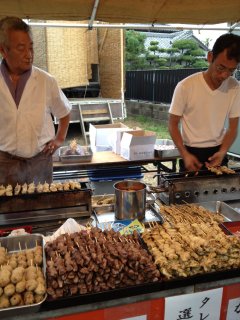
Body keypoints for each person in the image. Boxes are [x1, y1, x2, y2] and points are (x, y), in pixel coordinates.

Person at [0, 16, 72, 185]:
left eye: (31, 47)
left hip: (39, 162)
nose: (29, 54)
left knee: (42, 209)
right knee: (6, 208)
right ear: (3, 50)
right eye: (21, 48)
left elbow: (65, 113)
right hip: (4, 163)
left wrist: (59, 139)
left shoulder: (46, 81)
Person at [168, 33, 240, 172]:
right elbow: (172, 123)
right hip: (190, 152)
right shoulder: (186, 86)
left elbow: (232, 127)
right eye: (221, 68)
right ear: (210, 57)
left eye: (231, 70)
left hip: (218, 153)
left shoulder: (234, 87)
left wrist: (223, 151)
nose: (225, 75)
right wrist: (184, 154)